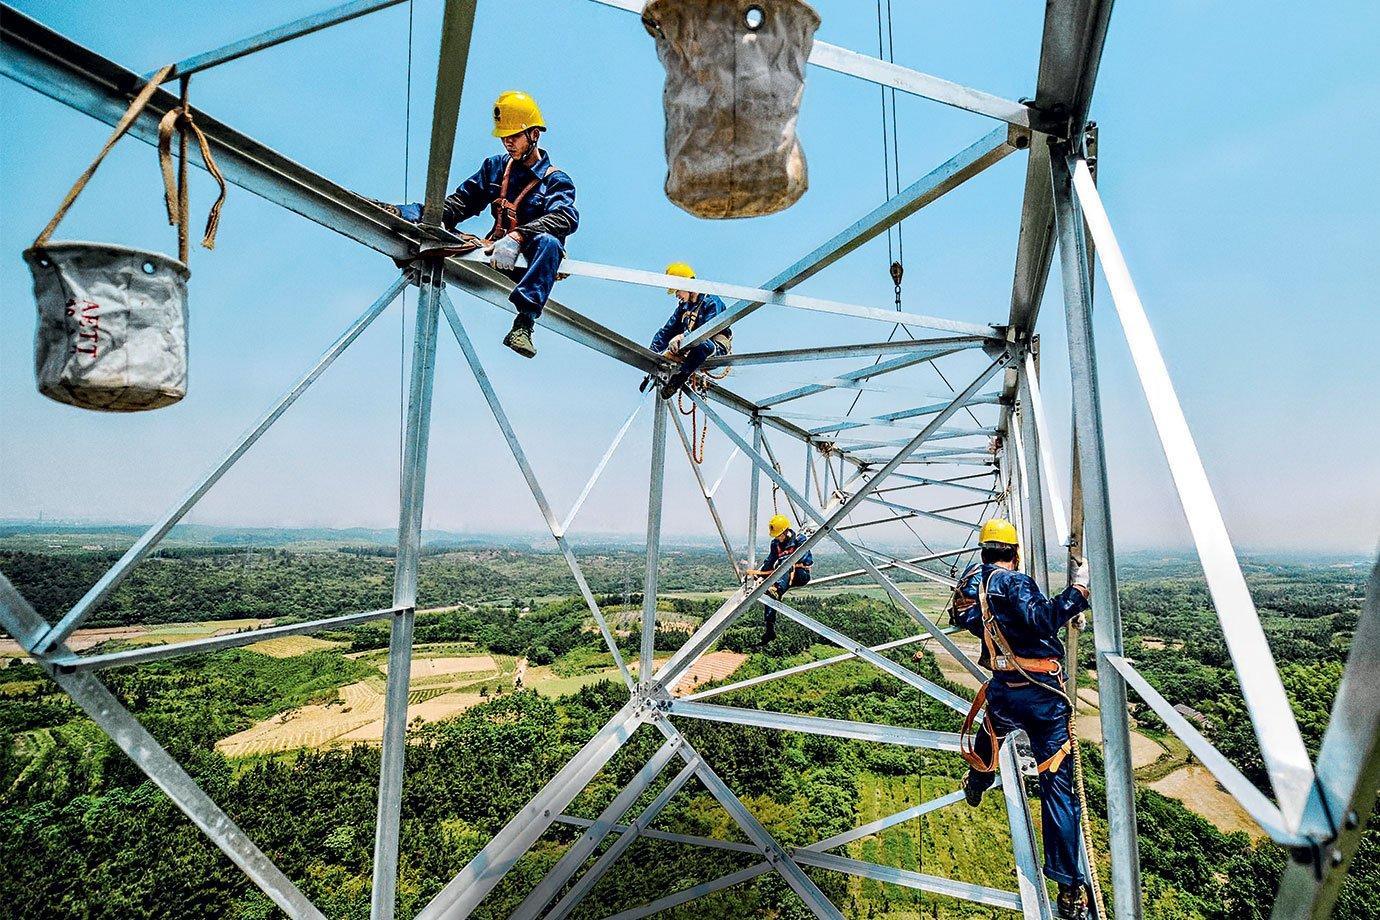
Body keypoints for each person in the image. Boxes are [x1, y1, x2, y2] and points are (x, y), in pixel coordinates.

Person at [949, 518, 1093, 919]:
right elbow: (1044, 618)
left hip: (1005, 691)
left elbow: (963, 618)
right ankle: (1068, 887)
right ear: (1014, 552)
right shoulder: (1014, 582)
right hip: (1042, 695)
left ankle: (978, 780)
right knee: (1057, 787)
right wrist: (1079, 591)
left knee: (991, 730)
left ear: (983, 553)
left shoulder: (977, 586)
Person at [383, 90, 577, 359]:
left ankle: (524, 325)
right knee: (439, 225)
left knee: (549, 243)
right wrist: (416, 215)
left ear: (534, 135)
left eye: (514, 136)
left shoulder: (555, 181)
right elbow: (459, 204)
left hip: (527, 269)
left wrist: (519, 237)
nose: (508, 143)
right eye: (504, 137)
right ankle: (406, 221)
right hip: (493, 255)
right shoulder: (496, 168)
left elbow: (565, 217)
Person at [647, 262, 732, 399]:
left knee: (703, 344)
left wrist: (682, 336)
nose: (676, 295)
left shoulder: (711, 302)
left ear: (686, 285)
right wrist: (651, 356)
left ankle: (679, 379)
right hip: (691, 350)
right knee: (668, 346)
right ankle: (651, 377)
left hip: (714, 348)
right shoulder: (684, 307)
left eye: (677, 291)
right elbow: (666, 331)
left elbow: (707, 331)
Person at [745, 514, 812, 643]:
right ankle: (770, 629)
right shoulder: (775, 543)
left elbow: (801, 559)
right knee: (770, 593)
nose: (777, 538)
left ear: (786, 532)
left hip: (800, 574)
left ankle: (777, 587)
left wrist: (782, 563)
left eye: (778, 535)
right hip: (783, 576)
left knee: (786, 563)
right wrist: (758, 574)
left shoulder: (800, 540)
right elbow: (770, 561)